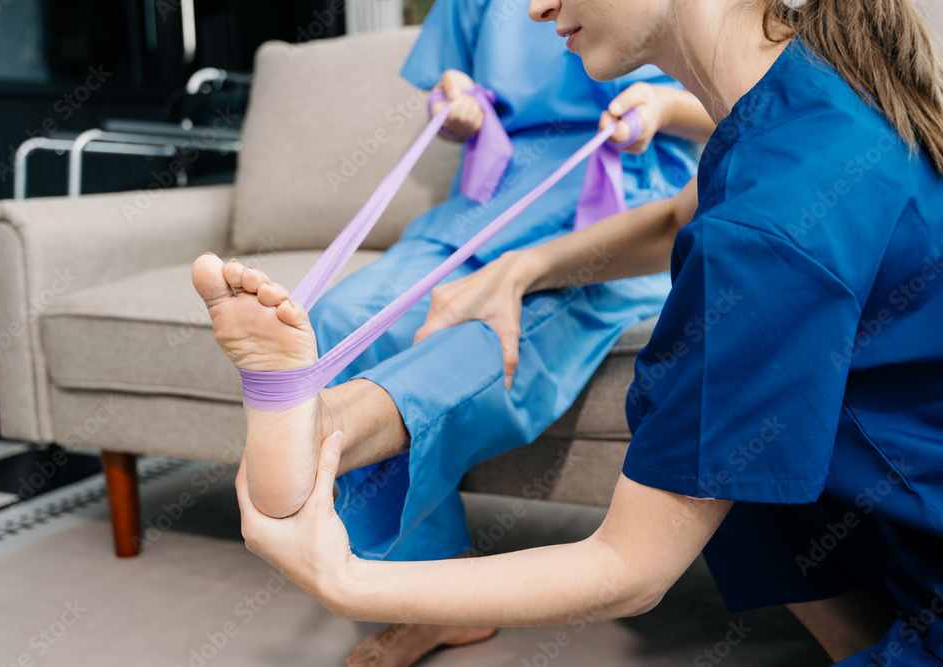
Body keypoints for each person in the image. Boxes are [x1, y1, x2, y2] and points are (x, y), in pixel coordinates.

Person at [197, 0, 943, 664]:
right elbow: (680, 218)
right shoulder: (803, 102)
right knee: (722, 432)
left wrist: (347, 578)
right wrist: (526, 267)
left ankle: (324, 420)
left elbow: (631, 566)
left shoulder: (773, 218)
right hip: (905, 541)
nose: (536, 6)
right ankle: (323, 417)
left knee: (695, 418)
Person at [197, 0, 712, 664]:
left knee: (467, 342)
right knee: (337, 318)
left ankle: (315, 441)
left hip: (607, 207)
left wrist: (664, 108)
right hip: (487, 201)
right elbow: (452, 85)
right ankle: (383, 520)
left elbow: (738, 97)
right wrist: (456, 101)